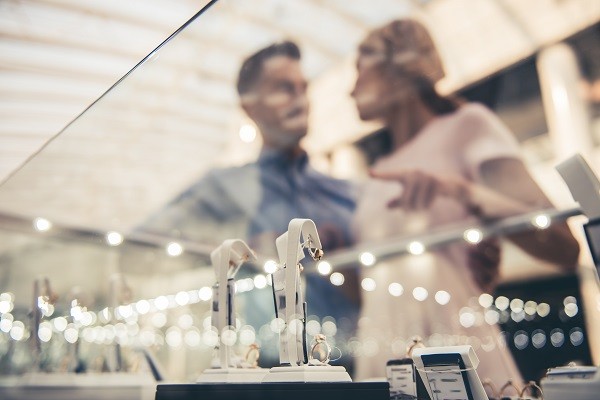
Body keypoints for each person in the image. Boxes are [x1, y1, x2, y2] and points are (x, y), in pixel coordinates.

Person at [349, 19, 580, 384]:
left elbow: (565, 248)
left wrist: (463, 193)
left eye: (361, 71)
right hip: (382, 352)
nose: (351, 89)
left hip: (451, 348)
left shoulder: (467, 126)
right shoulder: (380, 170)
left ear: (398, 67)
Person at [139, 41, 360, 368]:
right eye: (284, 89)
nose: (301, 100)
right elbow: (143, 246)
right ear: (249, 107)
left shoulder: (341, 192)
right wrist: (236, 250)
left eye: (303, 88)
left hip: (348, 363)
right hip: (267, 365)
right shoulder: (223, 188)